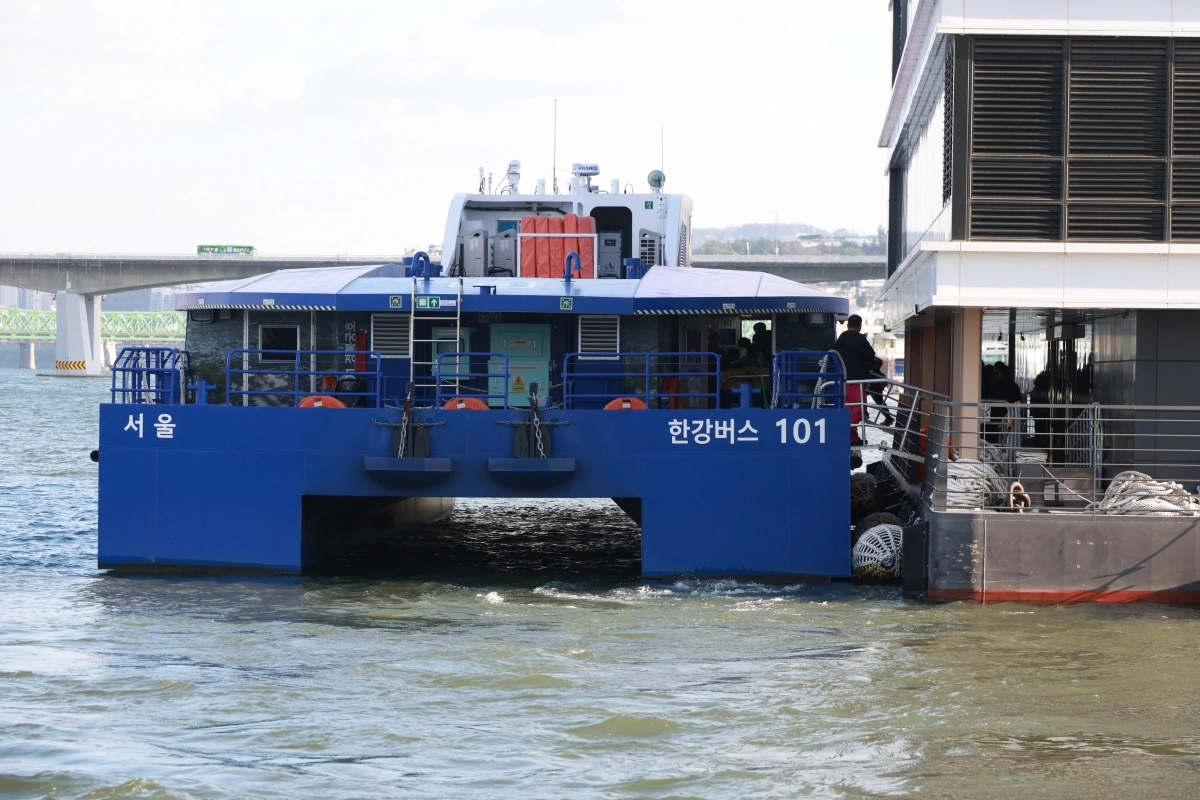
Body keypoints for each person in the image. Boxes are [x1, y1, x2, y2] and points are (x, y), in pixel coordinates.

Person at [833, 314, 876, 446]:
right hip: (857, 379)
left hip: (843, 379)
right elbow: (870, 354)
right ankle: (843, 429)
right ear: (860, 326)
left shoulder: (839, 341)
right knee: (859, 407)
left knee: (848, 408)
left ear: (847, 325)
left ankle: (854, 439)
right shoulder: (860, 339)